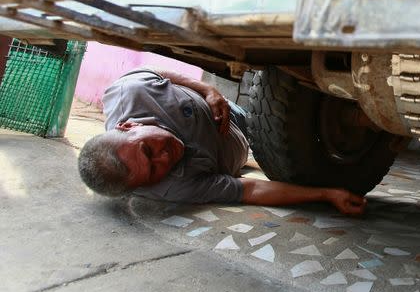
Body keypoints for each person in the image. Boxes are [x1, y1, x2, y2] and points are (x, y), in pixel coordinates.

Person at [77, 67, 366, 215]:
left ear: (129, 125)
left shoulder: (130, 91)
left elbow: (160, 73)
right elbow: (251, 189)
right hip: (243, 145)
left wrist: (208, 90)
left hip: (226, 109)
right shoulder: (173, 188)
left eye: (148, 149)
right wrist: (326, 194)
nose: (164, 157)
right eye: (153, 171)